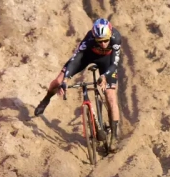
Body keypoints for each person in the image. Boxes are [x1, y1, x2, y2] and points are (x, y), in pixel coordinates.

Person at [34, 18, 123, 150]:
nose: (104, 44)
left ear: (110, 35)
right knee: (58, 81)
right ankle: (46, 98)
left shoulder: (116, 37)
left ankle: (114, 136)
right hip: (87, 56)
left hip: (107, 62)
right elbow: (76, 59)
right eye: (100, 41)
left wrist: (104, 76)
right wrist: (65, 80)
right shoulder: (89, 39)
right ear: (95, 38)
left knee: (110, 97)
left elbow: (114, 64)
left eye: (106, 40)